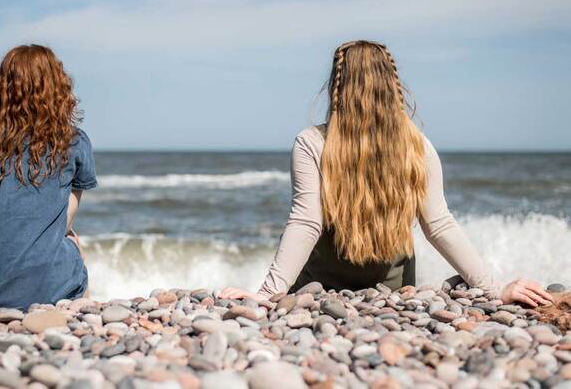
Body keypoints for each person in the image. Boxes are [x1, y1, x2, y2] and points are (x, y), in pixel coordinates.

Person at [220, 40, 552, 307]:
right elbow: (438, 223)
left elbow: (306, 222)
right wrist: (494, 290)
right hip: (392, 294)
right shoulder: (417, 145)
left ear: (337, 85)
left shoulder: (312, 142)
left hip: (317, 291)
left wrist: (266, 295)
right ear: (393, 85)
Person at [0, 44, 97, 310]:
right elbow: (65, 221)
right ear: (58, 88)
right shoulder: (72, 141)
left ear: (1, 90)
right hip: (37, 291)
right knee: (72, 243)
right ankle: (80, 323)